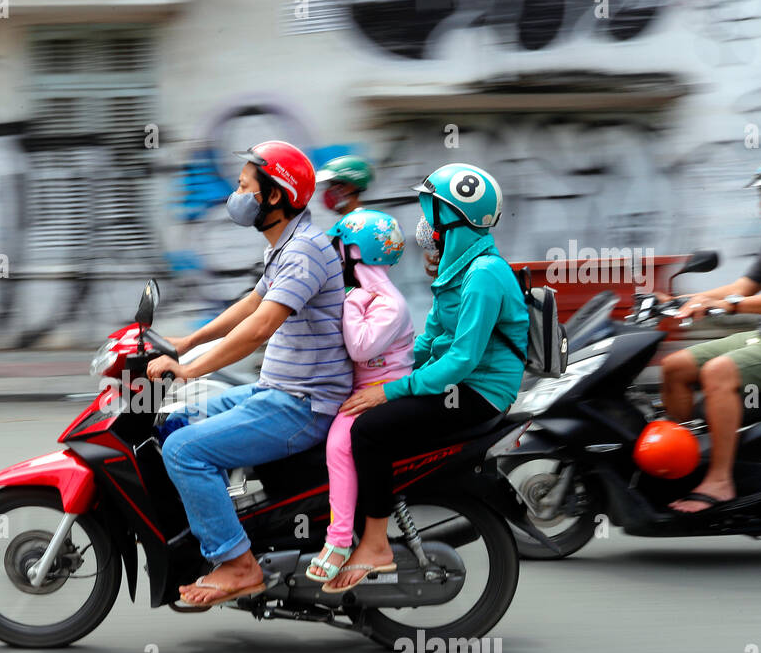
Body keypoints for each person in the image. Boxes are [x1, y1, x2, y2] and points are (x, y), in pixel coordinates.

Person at [146, 140, 352, 607]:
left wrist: (189, 369)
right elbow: (252, 302)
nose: (235, 195)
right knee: (175, 422)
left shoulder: (303, 251)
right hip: (277, 390)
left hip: (302, 405)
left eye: (243, 186)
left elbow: (260, 327)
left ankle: (238, 564)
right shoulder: (286, 245)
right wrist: (185, 341)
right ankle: (217, 530)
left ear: (273, 196)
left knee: (182, 450)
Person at [322, 163, 528, 592]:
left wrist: (391, 390)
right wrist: (376, 371)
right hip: (455, 384)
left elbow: (462, 360)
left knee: (369, 431)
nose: (425, 221)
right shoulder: (455, 273)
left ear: (455, 218)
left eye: (433, 209)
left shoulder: (484, 275)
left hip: (478, 393)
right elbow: (427, 343)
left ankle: (375, 544)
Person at [660, 153, 761, 513]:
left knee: (716, 371)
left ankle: (721, 481)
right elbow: (743, 285)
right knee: (675, 367)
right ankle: (689, 463)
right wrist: (684, 299)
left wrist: (730, 306)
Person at [304, 209, 414, 587]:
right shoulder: (362, 296)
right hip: (357, 390)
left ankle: (337, 541)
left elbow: (360, 348)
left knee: (339, 445)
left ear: (356, 253)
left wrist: (351, 303)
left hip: (380, 392)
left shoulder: (389, 304)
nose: (335, 256)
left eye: (339, 248)